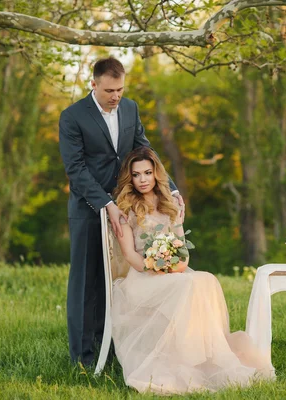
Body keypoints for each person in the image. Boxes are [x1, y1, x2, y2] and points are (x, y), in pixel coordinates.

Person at [110, 147, 272, 394]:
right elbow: (132, 256)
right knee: (188, 285)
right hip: (142, 278)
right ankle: (184, 361)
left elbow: (182, 252)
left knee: (205, 280)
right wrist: (154, 264)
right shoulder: (126, 208)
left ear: (156, 174)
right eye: (136, 174)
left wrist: (174, 265)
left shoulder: (169, 204)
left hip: (173, 272)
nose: (142, 179)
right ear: (129, 178)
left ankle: (201, 357)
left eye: (147, 173)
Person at [59, 57, 183, 366]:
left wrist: (172, 188)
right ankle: (84, 360)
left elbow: (144, 151)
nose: (116, 96)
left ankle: (115, 349)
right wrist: (106, 204)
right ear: (94, 85)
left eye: (120, 89)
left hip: (129, 207)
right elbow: (75, 169)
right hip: (89, 210)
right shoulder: (72, 117)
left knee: (120, 280)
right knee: (87, 283)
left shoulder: (130, 108)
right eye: (110, 90)